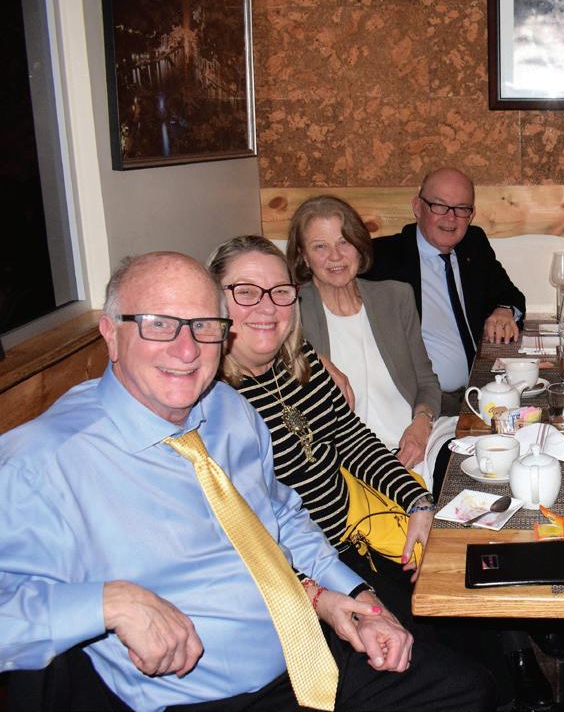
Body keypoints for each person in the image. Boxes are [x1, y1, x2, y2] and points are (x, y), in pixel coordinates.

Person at [0, 252, 491, 711]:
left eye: (203, 326)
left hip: (310, 649)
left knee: (469, 689)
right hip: (204, 695)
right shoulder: (43, 460)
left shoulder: (227, 410)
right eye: (159, 324)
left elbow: (282, 515)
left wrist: (355, 598)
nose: (186, 349)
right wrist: (110, 602)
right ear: (110, 334)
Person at [209, 235, 435, 625]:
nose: (267, 306)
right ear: (212, 300)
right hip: (303, 577)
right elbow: (242, 535)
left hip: (357, 538)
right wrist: (318, 593)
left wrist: (416, 499)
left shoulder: (301, 360)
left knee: (460, 599)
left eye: (280, 291)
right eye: (246, 292)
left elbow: (351, 438)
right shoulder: (213, 399)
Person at [287, 195, 455, 491]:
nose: (335, 256)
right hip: (351, 464)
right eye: (320, 246)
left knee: (467, 469)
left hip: (418, 444)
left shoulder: (396, 297)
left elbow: (426, 381)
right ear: (304, 256)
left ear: (358, 244)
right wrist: (315, 358)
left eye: (343, 242)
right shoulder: (290, 313)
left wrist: (421, 423)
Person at [362, 167, 526, 415]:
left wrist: (503, 310)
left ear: (471, 214)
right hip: (425, 403)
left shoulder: (473, 244)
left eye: (461, 208)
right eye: (439, 206)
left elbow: (511, 295)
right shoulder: (382, 258)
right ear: (418, 207)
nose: (451, 218)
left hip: (483, 388)